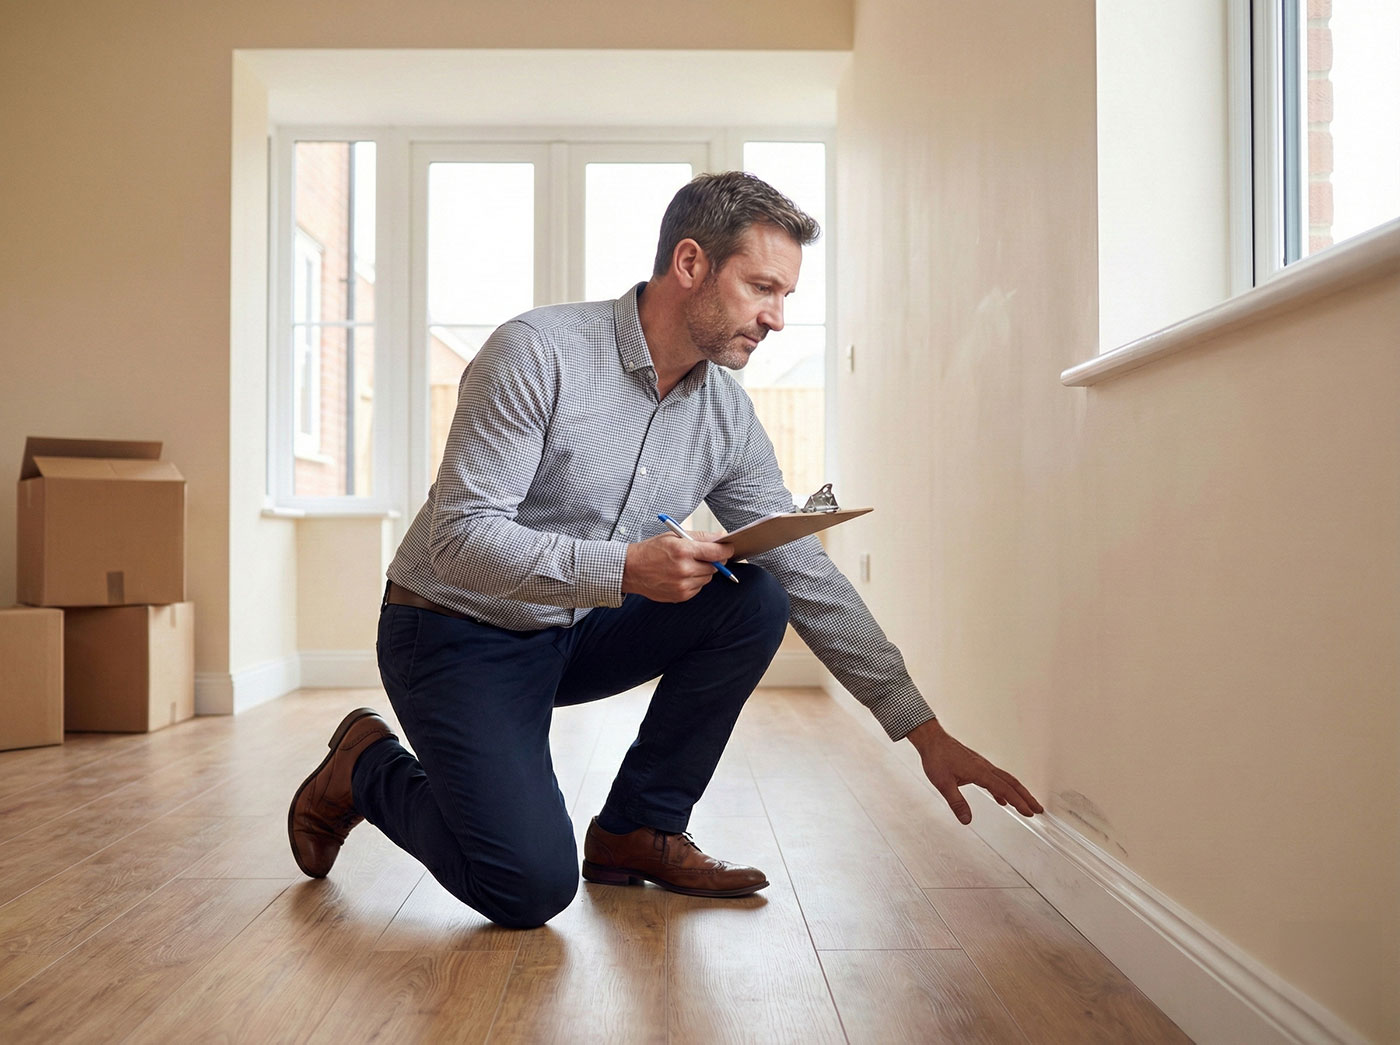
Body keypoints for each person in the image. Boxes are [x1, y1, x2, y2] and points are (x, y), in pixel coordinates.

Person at [288, 171, 1043, 929]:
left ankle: (637, 829)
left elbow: (806, 571)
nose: (777, 317)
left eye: (786, 296)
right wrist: (622, 569)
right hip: (452, 631)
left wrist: (923, 730)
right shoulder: (537, 353)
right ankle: (365, 766)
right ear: (690, 265)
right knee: (527, 888)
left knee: (757, 595)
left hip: (572, 629)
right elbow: (458, 540)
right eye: (762, 288)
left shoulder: (725, 415)